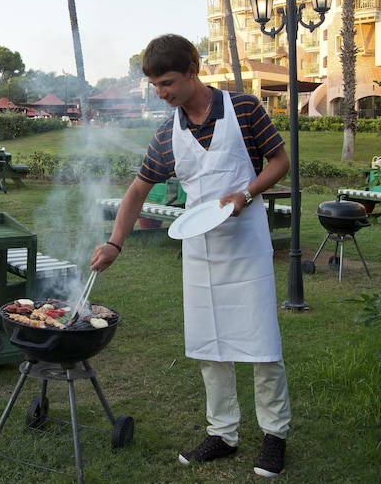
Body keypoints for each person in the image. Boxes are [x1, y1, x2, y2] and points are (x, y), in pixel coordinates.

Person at [90, 34, 292, 478]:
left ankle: (274, 435)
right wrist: (115, 243)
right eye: (155, 86)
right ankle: (223, 433)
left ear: (192, 70)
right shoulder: (168, 134)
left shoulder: (243, 108)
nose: (161, 93)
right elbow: (137, 191)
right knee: (209, 344)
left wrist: (246, 193)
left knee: (261, 344)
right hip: (199, 251)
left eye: (167, 83)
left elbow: (281, 162)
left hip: (246, 244)